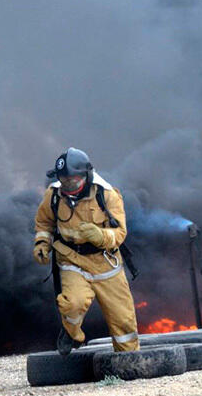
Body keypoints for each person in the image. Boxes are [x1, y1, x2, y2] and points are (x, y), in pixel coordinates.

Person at [34, 147, 140, 354]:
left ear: (86, 175)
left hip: (105, 263)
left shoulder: (107, 195)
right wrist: (42, 244)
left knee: (123, 320)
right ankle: (72, 333)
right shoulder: (54, 195)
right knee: (72, 304)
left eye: (72, 181)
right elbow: (44, 223)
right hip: (72, 261)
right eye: (63, 180)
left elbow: (120, 233)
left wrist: (100, 236)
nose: (66, 185)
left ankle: (128, 359)